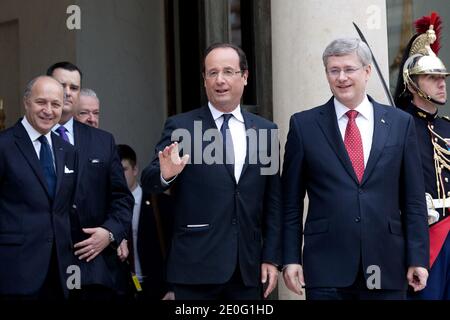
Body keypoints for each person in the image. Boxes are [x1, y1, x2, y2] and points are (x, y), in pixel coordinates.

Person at [282, 37, 429, 300]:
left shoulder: (400, 123)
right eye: (333, 70)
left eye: (349, 69)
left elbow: (414, 200)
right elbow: (290, 203)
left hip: (388, 264)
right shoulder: (304, 126)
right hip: (326, 267)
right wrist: (290, 258)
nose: (341, 78)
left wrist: (418, 257)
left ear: (367, 71)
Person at [141, 43, 282, 300]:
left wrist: (271, 257)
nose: (220, 80)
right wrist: (166, 174)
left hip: (247, 269)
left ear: (245, 76)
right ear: (204, 80)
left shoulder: (266, 131)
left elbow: (273, 201)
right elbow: (149, 181)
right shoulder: (182, 126)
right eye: (212, 73)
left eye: (228, 71)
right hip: (195, 267)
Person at [46, 62, 133, 299]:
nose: (67, 92)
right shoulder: (28, 139)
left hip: (93, 270)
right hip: (42, 270)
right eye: (61, 85)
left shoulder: (103, 141)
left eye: (73, 87)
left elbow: (122, 199)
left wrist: (110, 232)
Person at [0, 76, 77, 299]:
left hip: (60, 274)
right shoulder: (4, 145)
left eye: (55, 104)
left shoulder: (67, 150)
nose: (48, 110)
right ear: (26, 102)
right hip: (14, 273)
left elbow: (67, 208)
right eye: (41, 102)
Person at [393, 12, 450, 300]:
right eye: (432, 78)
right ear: (412, 82)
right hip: (425, 236)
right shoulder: (398, 126)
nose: (442, 84)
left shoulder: (447, 126)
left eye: (442, 77)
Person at [117, 144, 174, 300]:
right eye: (115, 171)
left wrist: (172, 287)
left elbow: (175, 247)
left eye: (124, 169)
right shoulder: (107, 207)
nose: (119, 176)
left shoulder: (160, 203)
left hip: (158, 289)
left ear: (135, 170)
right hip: (124, 290)